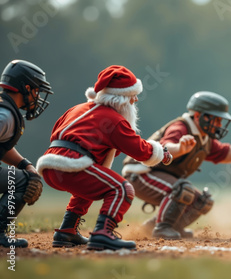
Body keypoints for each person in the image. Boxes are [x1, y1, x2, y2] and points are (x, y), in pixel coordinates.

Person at [36, 65, 173, 250]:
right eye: (132, 96)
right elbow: (139, 149)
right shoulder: (114, 120)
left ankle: (67, 230)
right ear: (121, 99)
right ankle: (103, 233)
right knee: (122, 189)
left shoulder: (77, 109)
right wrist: (161, 153)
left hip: (49, 165)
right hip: (72, 165)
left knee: (92, 181)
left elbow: (57, 135)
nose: (136, 99)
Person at [121, 91, 231, 240]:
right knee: (182, 189)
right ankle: (162, 229)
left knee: (202, 201)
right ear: (199, 116)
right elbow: (164, 147)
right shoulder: (181, 127)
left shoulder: (204, 138)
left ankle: (162, 228)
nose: (219, 125)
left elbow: (224, 152)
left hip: (158, 176)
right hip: (140, 174)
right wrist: (180, 148)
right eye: (216, 119)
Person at [0, 60, 53, 248]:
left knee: (26, 174)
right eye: (36, 90)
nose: (37, 96)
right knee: (23, 181)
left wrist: (26, 165)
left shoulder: (5, 110)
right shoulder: (5, 116)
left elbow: (3, 147)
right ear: (26, 88)